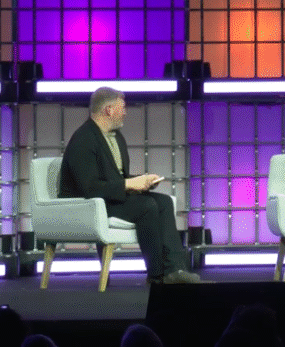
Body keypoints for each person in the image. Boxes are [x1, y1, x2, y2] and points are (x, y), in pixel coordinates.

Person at [59, 86, 200, 285]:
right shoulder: (83, 139)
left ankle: (175, 269)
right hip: (88, 204)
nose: (125, 112)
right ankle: (157, 275)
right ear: (108, 110)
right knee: (146, 207)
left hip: (108, 197)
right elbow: (89, 187)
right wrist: (128, 184)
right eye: (122, 107)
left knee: (164, 201)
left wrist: (141, 181)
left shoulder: (116, 137)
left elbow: (115, 178)